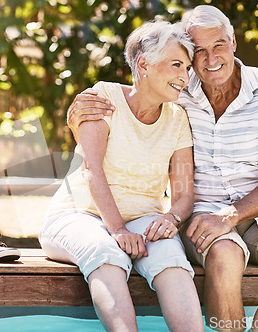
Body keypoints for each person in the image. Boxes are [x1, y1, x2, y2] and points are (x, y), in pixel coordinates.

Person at [67, 5, 258, 331]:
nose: (210, 59)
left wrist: (228, 216)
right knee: (225, 255)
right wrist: (79, 114)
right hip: (201, 213)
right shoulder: (179, 89)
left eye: (218, 45)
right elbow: (138, 92)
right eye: (197, 51)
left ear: (233, 42)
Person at [39, 21, 204, 332]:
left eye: (187, 67)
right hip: (78, 214)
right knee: (106, 254)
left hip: (142, 219)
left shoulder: (178, 119)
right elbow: (92, 169)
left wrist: (171, 219)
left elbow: (183, 195)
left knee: (170, 256)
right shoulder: (103, 97)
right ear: (143, 64)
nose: (185, 76)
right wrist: (116, 229)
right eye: (176, 65)